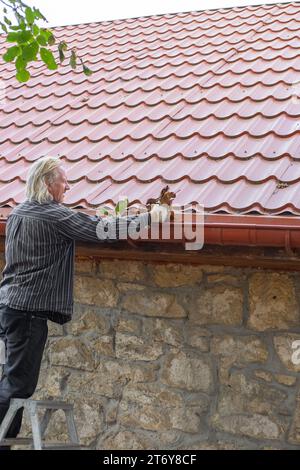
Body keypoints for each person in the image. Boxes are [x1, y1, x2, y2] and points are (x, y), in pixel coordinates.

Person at [0, 156, 169, 449]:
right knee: (19, 385)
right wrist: (152, 218)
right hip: (27, 313)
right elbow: (100, 229)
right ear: (46, 184)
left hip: (9, 306)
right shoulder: (53, 214)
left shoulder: (17, 213)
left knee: (11, 382)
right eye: (63, 181)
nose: (67, 186)